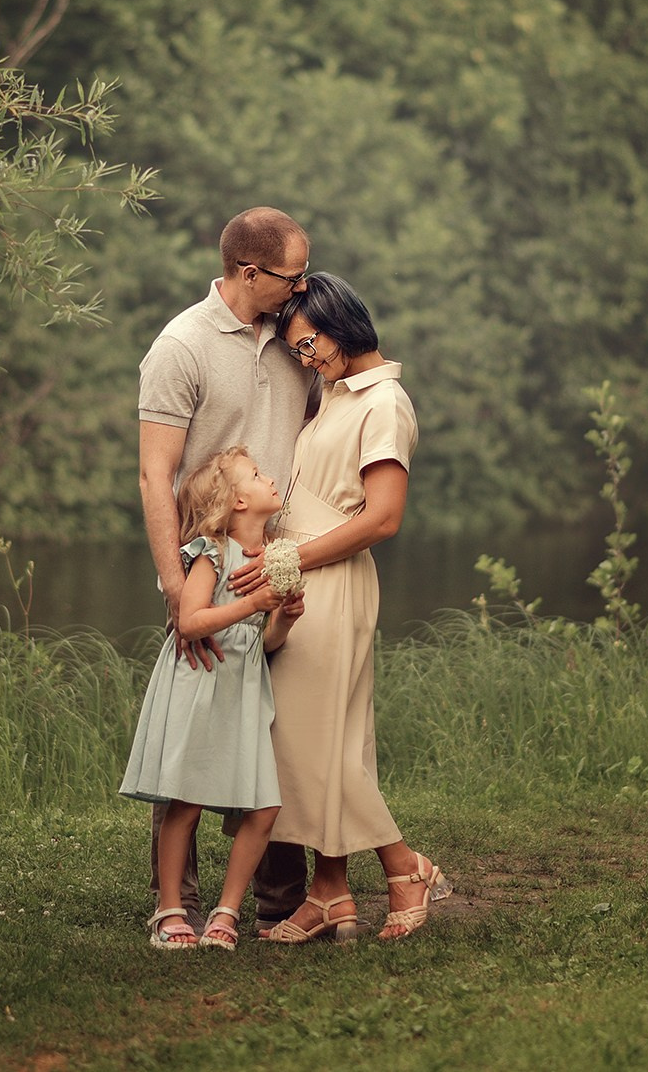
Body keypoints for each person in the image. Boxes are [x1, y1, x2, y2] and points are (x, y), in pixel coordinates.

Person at [238, 272, 452, 942]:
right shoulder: (331, 394)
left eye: (312, 343)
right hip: (298, 574)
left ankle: (404, 864)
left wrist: (295, 559)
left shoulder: (384, 401)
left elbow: (384, 518)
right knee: (311, 738)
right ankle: (330, 890)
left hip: (330, 576)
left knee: (315, 745)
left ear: (343, 321)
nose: (308, 358)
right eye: (298, 350)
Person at [137, 208, 316, 933]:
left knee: (275, 728)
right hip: (206, 569)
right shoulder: (182, 345)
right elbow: (157, 474)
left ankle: (270, 896)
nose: (302, 284)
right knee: (192, 736)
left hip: (278, 562)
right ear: (249, 272)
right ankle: (171, 901)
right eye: (291, 274)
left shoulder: (296, 342)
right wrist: (180, 588)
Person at [118, 448, 301, 950]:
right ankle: (170, 909)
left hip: (243, 685)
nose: (271, 479)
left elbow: (265, 642)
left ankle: (226, 913)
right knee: (188, 798)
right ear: (239, 501)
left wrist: (284, 616)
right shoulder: (212, 552)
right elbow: (190, 621)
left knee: (263, 808)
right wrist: (252, 603)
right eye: (259, 475)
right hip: (202, 683)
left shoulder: (272, 554)